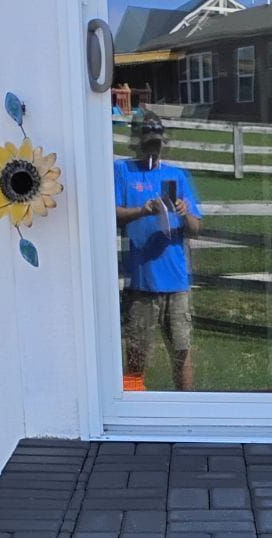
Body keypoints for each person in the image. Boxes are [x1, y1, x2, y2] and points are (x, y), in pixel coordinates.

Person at [114, 115, 202, 391]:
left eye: (157, 144)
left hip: (176, 283)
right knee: (137, 353)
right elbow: (112, 214)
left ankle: (187, 407)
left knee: (182, 350)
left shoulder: (177, 175)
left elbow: (196, 228)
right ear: (137, 142)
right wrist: (143, 210)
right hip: (142, 283)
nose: (153, 149)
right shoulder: (123, 171)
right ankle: (132, 405)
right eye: (148, 144)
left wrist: (185, 214)